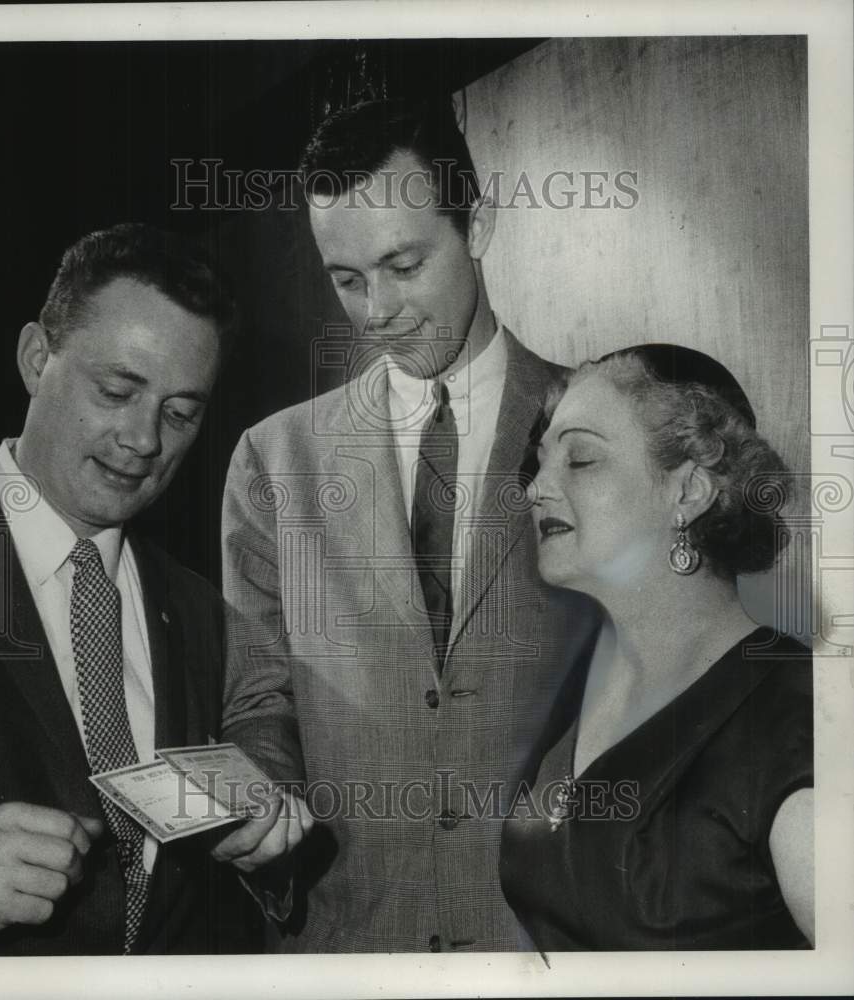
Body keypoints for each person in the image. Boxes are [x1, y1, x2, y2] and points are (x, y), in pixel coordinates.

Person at [219, 98, 595, 952]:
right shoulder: (271, 459)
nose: (376, 311)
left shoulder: (598, 426)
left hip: (548, 949)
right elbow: (260, 696)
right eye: (346, 279)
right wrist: (264, 796)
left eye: (403, 264)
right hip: (350, 945)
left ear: (479, 223)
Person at [0, 223, 302, 956]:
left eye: (180, 412)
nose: (144, 440)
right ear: (37, 359)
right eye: (117, 390)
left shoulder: (198, 610)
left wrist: (260, 845)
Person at [500, 343, 813, 951]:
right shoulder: (574, 683)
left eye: (581, 459)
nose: (535, 489)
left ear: (688, 493)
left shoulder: (796, 722)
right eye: (539, 464)